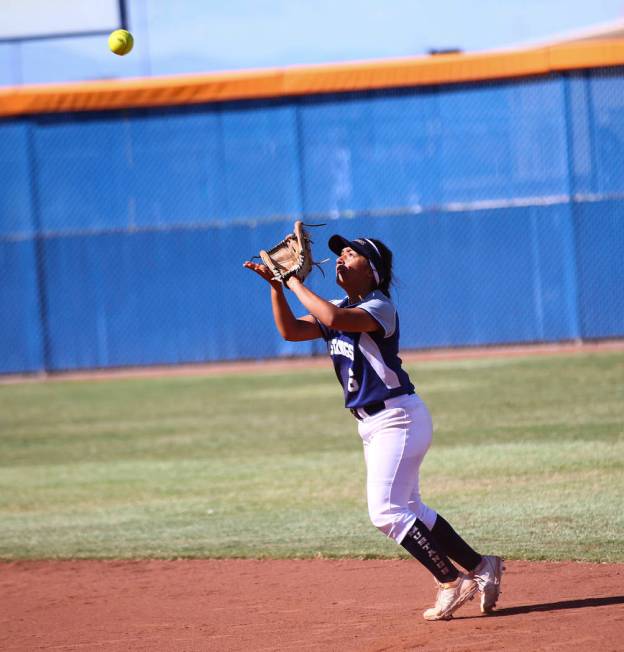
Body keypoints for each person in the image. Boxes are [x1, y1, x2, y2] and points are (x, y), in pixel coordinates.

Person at [244, 233, 503, 621]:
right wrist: (276, 288)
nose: (340, 258)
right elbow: (291, 331)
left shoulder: (379, 307)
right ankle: (482, 567)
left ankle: (451, 582)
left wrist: (294, 280)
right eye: (339, 253)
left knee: (385, 511)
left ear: (374, 271)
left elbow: (333, 320)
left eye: (351, 254)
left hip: (397, 418)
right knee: (411, 508)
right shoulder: (337, 304)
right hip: (376, 424)